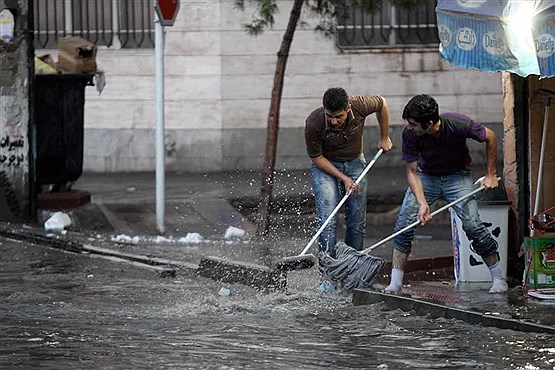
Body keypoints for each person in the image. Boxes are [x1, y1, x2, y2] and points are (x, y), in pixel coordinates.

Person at [384, 94, 508, 294]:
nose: (409, 127)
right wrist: (423, 203)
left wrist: (491, 174)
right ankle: (395, 283)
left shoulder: (458, 124)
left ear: (430, 123)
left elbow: (491, 136)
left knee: (472, 225)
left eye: (414, 124)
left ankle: (498, 279)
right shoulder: (410, 134)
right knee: (404, 223)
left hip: (457, 176)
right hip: (426, 177)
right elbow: (412, 172)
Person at [305, 87, 393, 293]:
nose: (333, 121)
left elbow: (382, 103)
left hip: (355, 163)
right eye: (330, 116)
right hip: (325, 166)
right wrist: (344, 179)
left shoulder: (361, 104)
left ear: (349, 108)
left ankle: (353, 272)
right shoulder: (314, 122)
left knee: (356, 220)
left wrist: (385, 136)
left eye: (339, 116)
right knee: (328, 219)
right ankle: (326, 278)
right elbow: (316, 157)